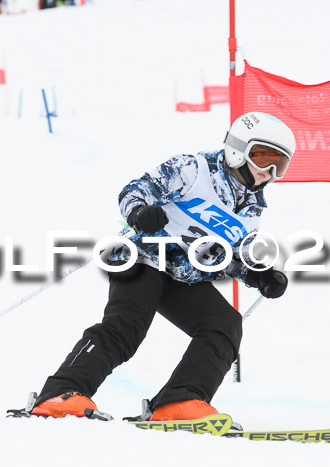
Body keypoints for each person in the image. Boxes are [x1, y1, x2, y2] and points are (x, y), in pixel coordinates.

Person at [31, 112, 295, 421]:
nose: (270, 170)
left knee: (224, 324)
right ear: (238, 148)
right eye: (262, 156)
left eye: (280, 163)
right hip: (143, 257)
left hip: (184, 275)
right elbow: (135, 190)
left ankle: (179, 402)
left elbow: (228, 254)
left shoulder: (251, 209)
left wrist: (256, 274)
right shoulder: (193, 169)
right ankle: (61, 394)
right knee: (127, 327)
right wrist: (141, 212)